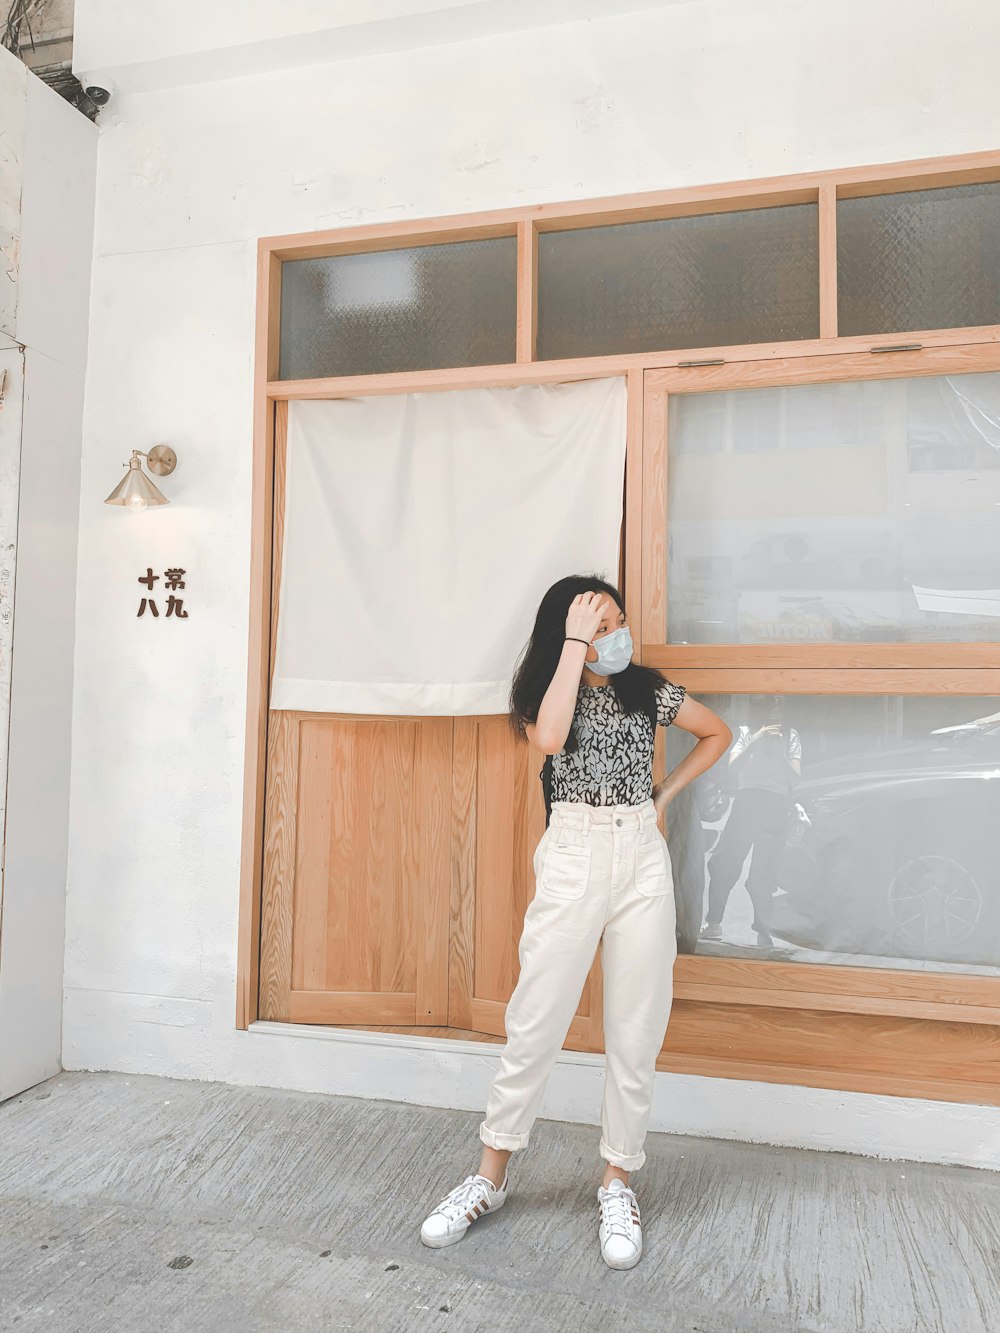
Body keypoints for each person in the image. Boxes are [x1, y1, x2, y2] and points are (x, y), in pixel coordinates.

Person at [419, 575, 732, 1270]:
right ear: (568, 632)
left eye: (616, 619)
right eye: (600, 622)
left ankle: (617, 1180)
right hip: (573, 851)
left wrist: (665, 796)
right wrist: (572, 645)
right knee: (536, 1018)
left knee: (636, 1024)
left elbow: (717, 732)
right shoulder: (543, 689)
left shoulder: (646, 687)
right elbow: (551, 738)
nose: (613, 632)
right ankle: (489, 1177)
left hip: (640, 856)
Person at [701, 695, 801, 948]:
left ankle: (763, 931)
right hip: (748, 801)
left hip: (776, 806)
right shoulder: (746, 732)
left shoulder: (790, 736)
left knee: (764, 870)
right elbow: (733, 767)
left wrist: (780, 756)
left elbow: (795, 778)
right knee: (725, 863)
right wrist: (756, 741)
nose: (770, 710)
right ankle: (714, 923)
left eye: (775, 705)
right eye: (765, 705)